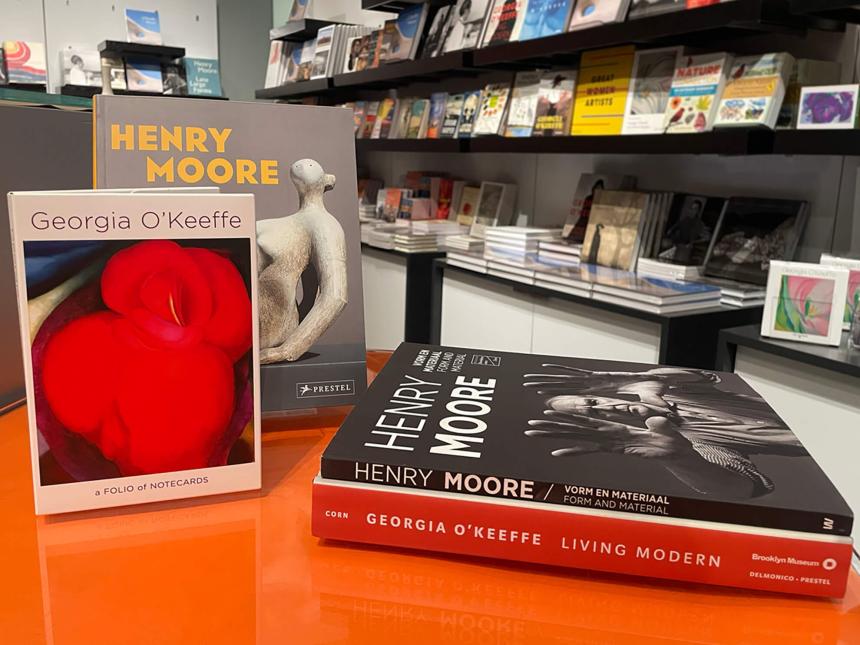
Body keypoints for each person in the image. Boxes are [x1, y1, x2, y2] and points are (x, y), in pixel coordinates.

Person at [523, 363, 804, 499]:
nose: (606, 408)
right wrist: (677, 458)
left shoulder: (669, 390)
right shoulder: (688, 443)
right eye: (594, 414)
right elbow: (744, 486)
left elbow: (701, 375)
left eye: (593, 402)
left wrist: (644, 378)